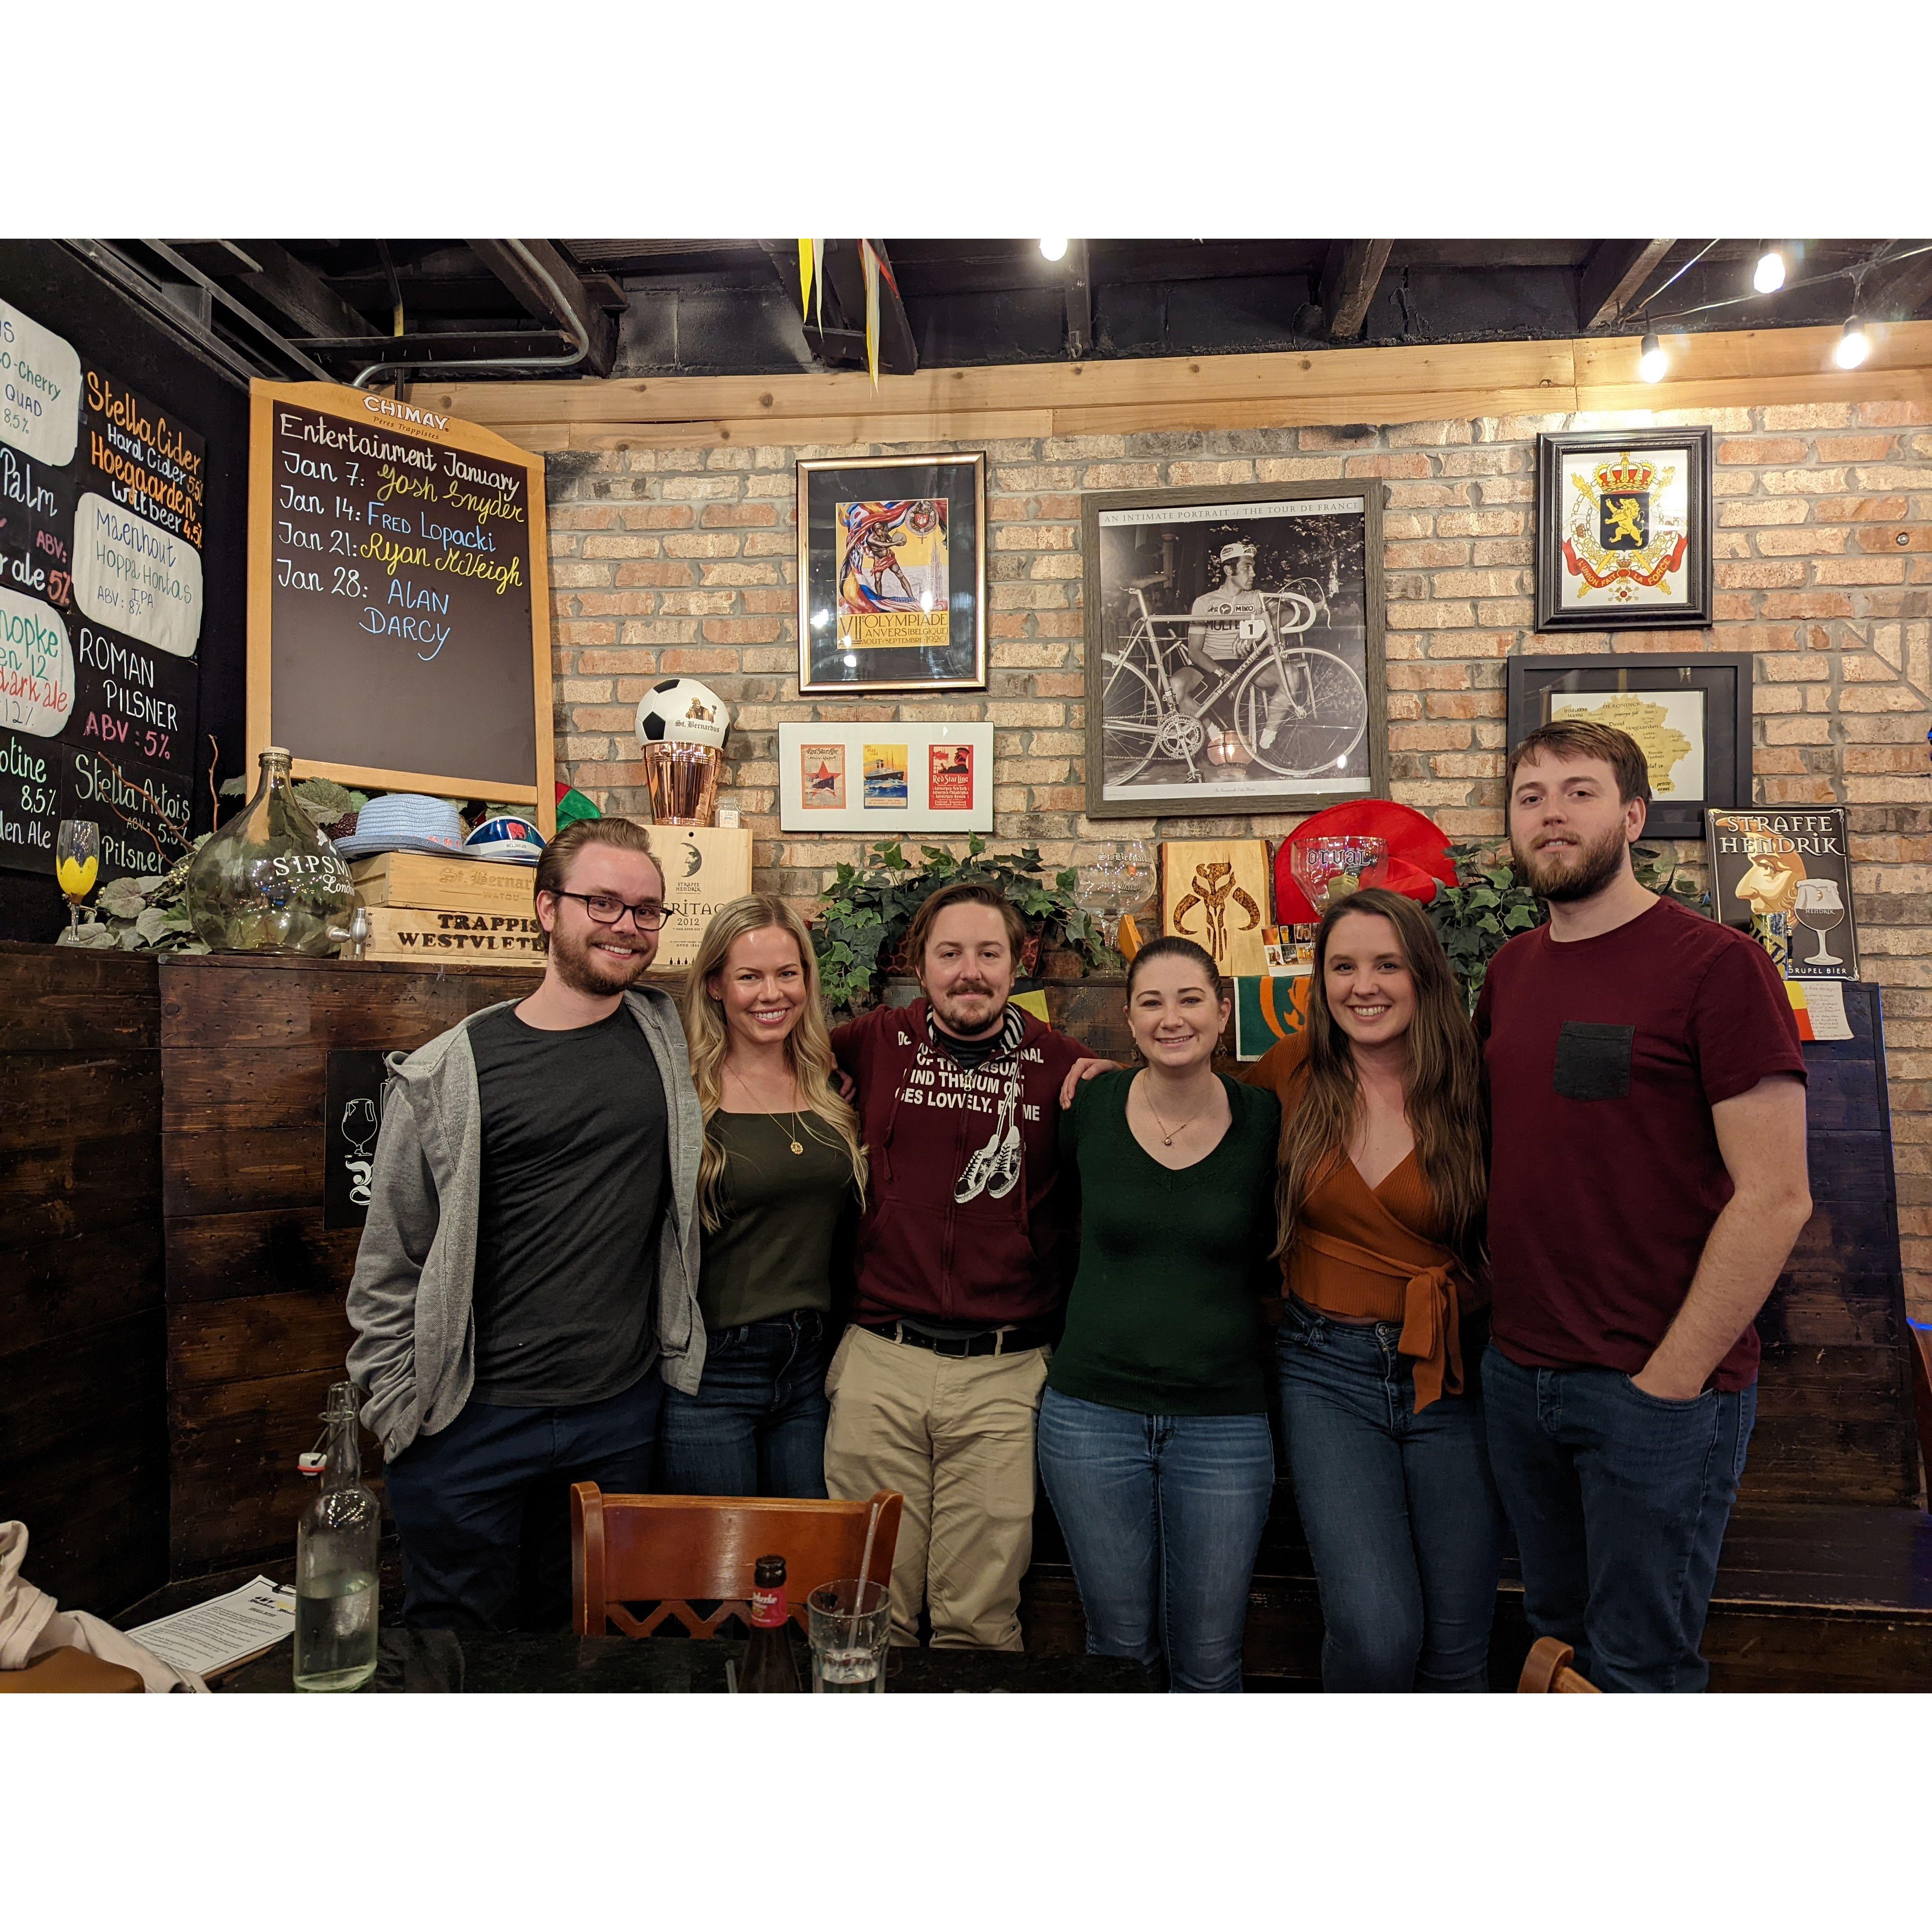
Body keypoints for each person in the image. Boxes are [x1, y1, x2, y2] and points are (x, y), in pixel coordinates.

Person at [1479, 719, 1812, 1692]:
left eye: (1578, 792)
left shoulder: (1717, 965)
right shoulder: (1510, 972)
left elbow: (1777, 1196)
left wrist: (1667, 1383)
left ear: (1633, 816)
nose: (1551, 815)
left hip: (1655, 1389)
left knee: (1639, 1671)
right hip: (1522, 1377)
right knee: (1556, 1650)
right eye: (1531, 796)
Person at [345, 817, 704, 1632]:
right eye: (602, 903)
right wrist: (402, 1410)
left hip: (618, 1417)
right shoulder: (448, 1071)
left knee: (593, 1649)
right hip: (468, 1422)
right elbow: (390, 1261)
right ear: (547, 909)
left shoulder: (670, 1041)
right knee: (454, 1650)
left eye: (646, 910)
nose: (627, 926)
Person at [1246, 886, 1504, 1692]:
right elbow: (1191, 1108)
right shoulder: (1293, 1069)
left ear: (1423, 973)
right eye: (1343, 967)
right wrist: (1100, 1081)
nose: (1364, 987)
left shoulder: (1475, 1079)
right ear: (1319, 980)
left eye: (1387, 965)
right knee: (1376, 1638)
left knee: (1459, 1650)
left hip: (1453, 1376)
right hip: (1326, 1371)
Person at [824, 880, 1093, 1651]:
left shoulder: (1063, 1066)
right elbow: (764, 1058)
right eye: (950, 954)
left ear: (1019, 963)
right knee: (865, 1620)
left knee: (979, 1625)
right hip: (881, 1363)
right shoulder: (874, 1042)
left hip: (1003, 1377)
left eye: (988, 953)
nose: (969, 972)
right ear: (920, 965)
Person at [1036, 937, 1279, 1692]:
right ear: (1130, 1019)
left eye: (1190, 999)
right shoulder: (1089, 1106)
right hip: (1091, 1419)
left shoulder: (1266, 1117)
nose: (1172, 1018)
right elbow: (1045, 1220)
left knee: (1211, 1660)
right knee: (1119, 1652)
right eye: (1152, 1002)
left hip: (1223, 1424)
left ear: (1223, 1011)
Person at [658, 894, 867, 1499]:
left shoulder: (829, 1087)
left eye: (787, 974)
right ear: (716, 986)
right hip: (712, 1369)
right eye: (749, 977)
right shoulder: (683, 1093)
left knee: (805, 1553)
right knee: (722, 1560)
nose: (772, 994)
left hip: (811, 1364)